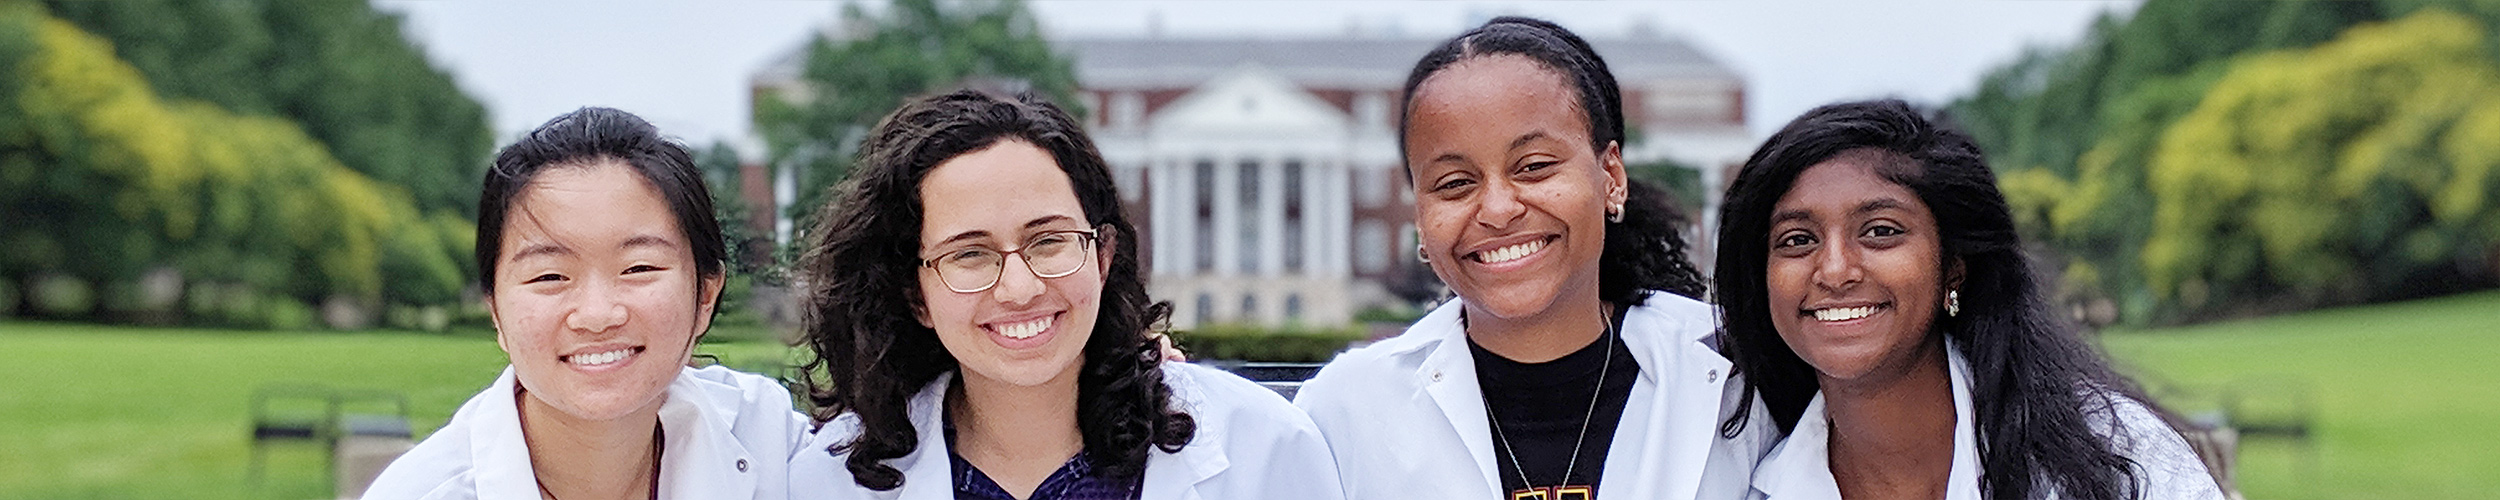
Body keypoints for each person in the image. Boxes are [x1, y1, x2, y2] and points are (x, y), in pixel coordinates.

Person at [1292, 16, 1772, 500]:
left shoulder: (1736, 379)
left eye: (1535, 167)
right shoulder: (1346, 412)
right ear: (1420, 217)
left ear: (1612, 177)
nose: (1498, 210)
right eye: (1455, 184)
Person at [785, 89, 1344, 500]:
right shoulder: (831, 479)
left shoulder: (1266, 448)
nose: (1020, 287)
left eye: (1048, 241)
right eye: (969, 254)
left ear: (1102, 256)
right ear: (915, 294)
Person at [1713, 99, 2225, 500]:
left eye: (1881, 231)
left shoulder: (2116, 460)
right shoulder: (1741, 485)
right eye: (1798, 240)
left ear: (1954, 264)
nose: (1836, 270)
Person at [363, 107, 806, 500]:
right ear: (495, 310)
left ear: (705, 294)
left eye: (638, 268)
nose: (597, 315)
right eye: (550, 276)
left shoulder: (774, 446)